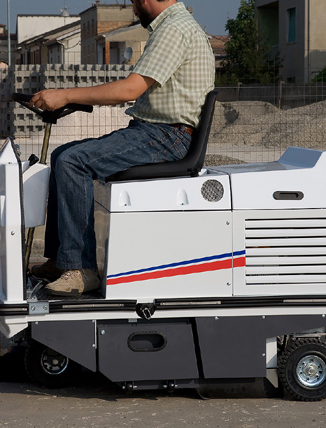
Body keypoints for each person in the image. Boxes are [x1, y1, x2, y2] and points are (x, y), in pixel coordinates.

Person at [30, 0, 215, 296]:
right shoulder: (176, 26)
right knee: (61, 155)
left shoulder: (174, 29)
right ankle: (62, 259)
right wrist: (69, 98)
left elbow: (129, 90)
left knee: (72, 161)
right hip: (158, 132)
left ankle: (81, 270)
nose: (133, 7)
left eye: (133, 1)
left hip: (166, 137)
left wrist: (65, 95)